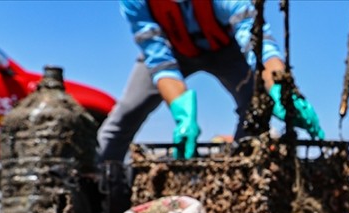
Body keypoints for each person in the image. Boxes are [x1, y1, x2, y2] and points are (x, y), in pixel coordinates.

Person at [98, 0, 324, 163]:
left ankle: (243, 171)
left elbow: (257, 40)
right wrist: (182, 113)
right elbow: (159, 59)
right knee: (125, 114)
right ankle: (101, 188)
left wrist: (280, 86)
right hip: (171, 51)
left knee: (255, 105)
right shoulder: (135, 2)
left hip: (227, 49)